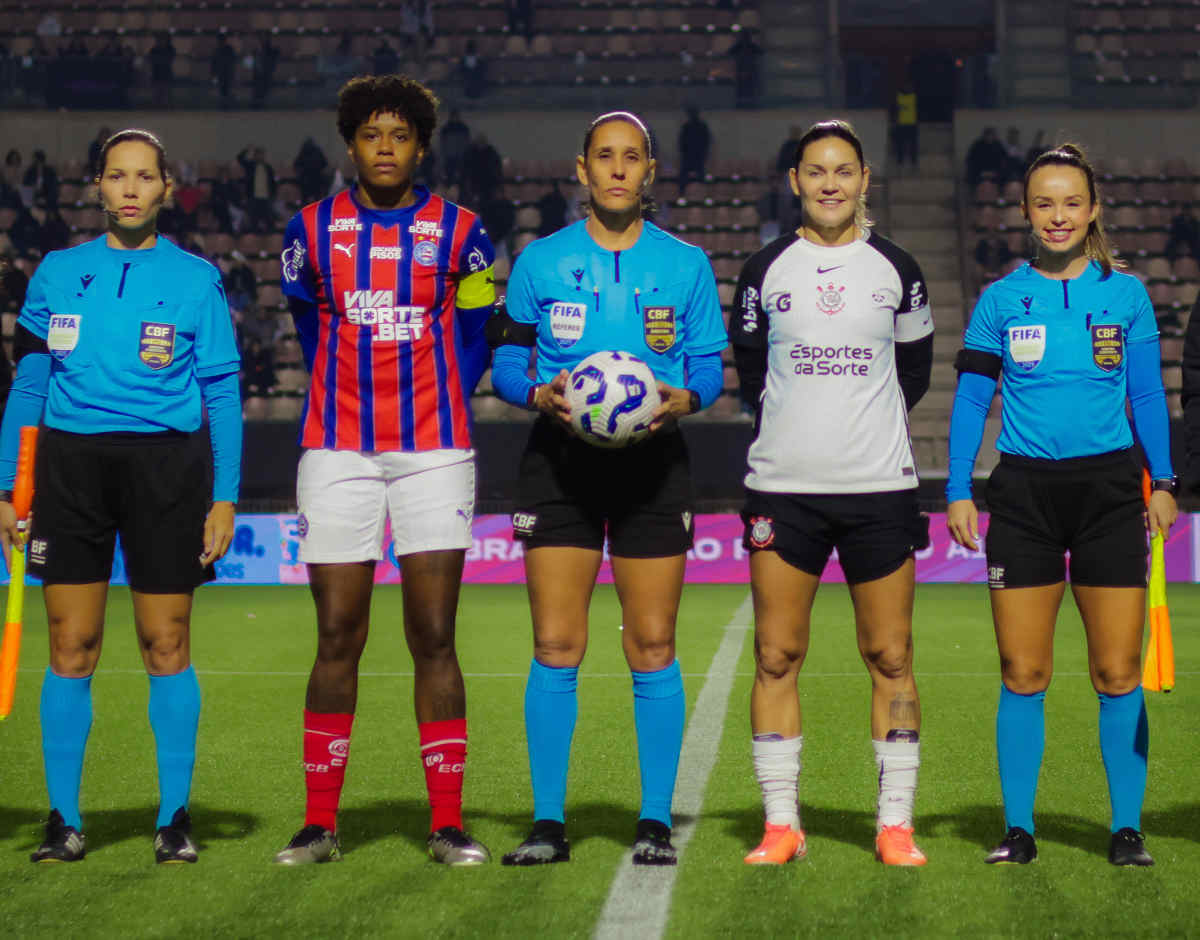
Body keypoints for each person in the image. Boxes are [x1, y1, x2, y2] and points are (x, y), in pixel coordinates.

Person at [489, 110, 727, 866]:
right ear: (582, 170)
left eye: (632, 158)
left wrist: (685, 398)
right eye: (604, 158)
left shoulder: (685, 265)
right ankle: (549, 823)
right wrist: (538, 395)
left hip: (654, 464)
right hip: (559, 462)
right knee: (557, 642)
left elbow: (710, 374)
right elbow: (502, 368)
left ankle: (654, 821)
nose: (618, 169)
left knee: (653, 643)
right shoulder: (539, 261)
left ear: (650, 170)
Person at [0, 128, 241, 864]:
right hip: (71, 469)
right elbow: (32, 384)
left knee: (165, 645)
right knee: (72, 647)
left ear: (167, 188)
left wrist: (225, 496)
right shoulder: (57, 272)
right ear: (97, 186)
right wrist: (13, 485)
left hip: (168, 469)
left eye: (144, 177)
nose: (130, 188)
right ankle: (64, 821)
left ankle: (173, 820)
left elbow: (221, 390)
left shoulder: (197, 279)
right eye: (116, 175)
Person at [274, 74, 497, 867]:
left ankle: (446, 823)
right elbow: (308, 322)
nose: (386, 149)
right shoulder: (308, 230)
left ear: (421, 146)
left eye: (400, 136)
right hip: (337, 447)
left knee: (433, 633)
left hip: (435, 447)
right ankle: (319, 823)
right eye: (372, 135)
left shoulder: (464, 232)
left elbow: (476, 330)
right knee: (339, 633)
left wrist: (444, 399)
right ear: (351, 144)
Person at [946, 143, 1176, 867]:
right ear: (1024, 211)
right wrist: (958, 486)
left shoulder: (1126, 295)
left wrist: (1163, 481)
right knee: (1023, 672)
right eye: (1044, 203)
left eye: (1071, 202)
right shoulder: (1000, 299)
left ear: (1094, 209)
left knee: (1116, 673)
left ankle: (1126, 829)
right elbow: (972, 398)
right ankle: (1020, 830)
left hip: (1110, 495)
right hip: (1024, 498)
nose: (1058, 215)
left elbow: (1145, 394)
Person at [729, 119, 934, 867]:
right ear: (795, 181)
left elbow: (913, 373)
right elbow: (752, 375)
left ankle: (895, 824)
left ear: (864, 180)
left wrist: (860, 434)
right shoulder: (764, 270)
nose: (829, 183)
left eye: (843, 171)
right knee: (777, 655)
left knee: (891, 655)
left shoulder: (898, 269)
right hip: (785, 492)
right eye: (815, 171)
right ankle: (782, 823)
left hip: (879, 490)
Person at [677, 106, 711, 196]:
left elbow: (681, 145)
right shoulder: (702, 127)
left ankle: (683, 195)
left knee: (686, 181)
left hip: (691, 159)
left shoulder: (686, 127)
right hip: (697, 159)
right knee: (698, 179)